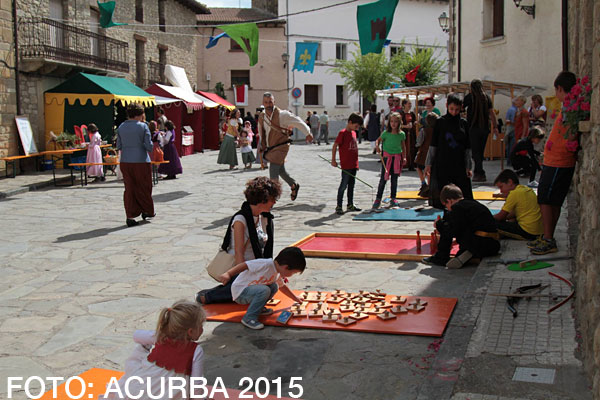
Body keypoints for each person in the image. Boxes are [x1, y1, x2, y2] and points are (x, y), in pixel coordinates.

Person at [196, 177, 281, 305]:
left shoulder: (265, 218)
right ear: (262, 200)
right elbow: (239, 253)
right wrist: (246, 278)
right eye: (272, 199)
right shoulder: (240, 220)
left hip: (255, 265)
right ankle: (208, 297)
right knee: (254, 290)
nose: (274, 202)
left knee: (271, 287)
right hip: (241, 266)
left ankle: (224, 290)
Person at [101, 301, 206, 400]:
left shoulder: (160, 338)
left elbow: (136, 335)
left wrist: (159, 335)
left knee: (141, 352)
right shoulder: (196, 350)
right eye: (201, 326)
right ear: (190, 331)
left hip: (139, 393)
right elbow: (196, 388)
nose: (202, 329)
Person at [529, 71, 578, 255]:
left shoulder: (571, 108)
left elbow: (571, 134)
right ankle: (547, 236)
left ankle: (549, 239)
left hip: (559, 161)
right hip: (555, 160)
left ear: (560, 89)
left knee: (547, 200)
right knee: (550, 200)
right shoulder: (568, 107)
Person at [219, 247, 306, 330]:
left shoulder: (277, 273)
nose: (292, 275)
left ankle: (259, 308)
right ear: (286, 267)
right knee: (264, 290)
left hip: (252, 291)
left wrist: (295, 298)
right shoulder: (265, 264)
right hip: (241, 292)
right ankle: (249, 318)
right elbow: (244, 265)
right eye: (293, 273)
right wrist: (228, 274)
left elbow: (282, 287)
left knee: (274, 286)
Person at [422, 184, 500, 269]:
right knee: (447, 224)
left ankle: (441, 257)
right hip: (493, 244)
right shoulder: (470, 203)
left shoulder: (458, 207)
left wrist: (439, 224)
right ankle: (466, 253)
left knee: (445, 226)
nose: (448, 208)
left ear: (450, 201)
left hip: (481, 245)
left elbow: (453, 231)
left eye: (446, 205)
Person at [258, 92, 313, 201]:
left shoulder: (283, 115)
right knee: (281, 170)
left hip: (281, 146)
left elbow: (297, 121)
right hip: (271, 147)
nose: (268, 104)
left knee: (273, 168)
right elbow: (261, 131)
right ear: (263, 103)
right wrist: (262, 145)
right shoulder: (262, 116)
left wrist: (307, 133)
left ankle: (272, 197)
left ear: (274, 102)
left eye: (270, 102)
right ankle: (293, 185)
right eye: (266, 102)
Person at [425, 94, 473, 209]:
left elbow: (468, 147)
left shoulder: (463, 124)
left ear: (461, 108)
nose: (454, 112)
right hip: (443, 162)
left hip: (459, 163)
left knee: (462, 194)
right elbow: (433, 144)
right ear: (447, 106)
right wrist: (428, 163)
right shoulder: (440, 122)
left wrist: (469, 166)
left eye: (457, 109)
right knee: (444, 193)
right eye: (451, 109)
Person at [116, 102, 155, 227]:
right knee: (144, 186)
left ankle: (130, 215)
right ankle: (146, 210)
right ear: (140, 114)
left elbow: (119, 145)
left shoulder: (121, 127)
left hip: (125, 160)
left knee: (129, 189)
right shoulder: (143, 127)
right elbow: (149, 146)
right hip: (141, 160)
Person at [463, 79, 499, 182]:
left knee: (475, 152)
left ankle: (480, 173)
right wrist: (495, 126)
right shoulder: (486, 98)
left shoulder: (469, 98)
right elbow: (492, 113)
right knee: (480, 151)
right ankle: (479, 172)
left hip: (473, 128)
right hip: (484, 128)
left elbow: (461, 108)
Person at [493, 169, 543, 241]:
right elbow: (512, 214)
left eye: (501, 187)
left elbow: (500, 217)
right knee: (511, 218)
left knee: (492, 223)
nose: (501, 191)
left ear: (510, 182)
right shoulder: (527, 189)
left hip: (529, 232)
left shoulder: (514, 193)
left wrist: (487, 218)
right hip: (538, 231)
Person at [332, 113, 364, 215]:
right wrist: (333, 160)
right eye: (356, 126)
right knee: (343, 186)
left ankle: (350, 204)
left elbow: (355, 151)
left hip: (353, 165)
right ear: (350, 122)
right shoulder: (343, 133)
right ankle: (339, 206)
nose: (357, 128)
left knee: (351, 186)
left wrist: (357, 164)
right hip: (346, 165)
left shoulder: (354, 133)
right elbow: (335, 146)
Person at [372, 112, 406, 209]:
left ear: (399, 123)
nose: (393, 123)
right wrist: (377, 146)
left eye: (395, 122)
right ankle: (378, 198)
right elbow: (378, 140)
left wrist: (404, 157)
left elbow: (403, 146)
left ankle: (393, 197)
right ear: (389, 122)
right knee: (383, 179)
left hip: (397, 158)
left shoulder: (401, 134)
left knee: (394, 179)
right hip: (386, 159)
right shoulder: (386, 133)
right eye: (391, 121)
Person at [416, 97, 441, 196]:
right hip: (434, 152)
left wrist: (417, 145)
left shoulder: (424, 131)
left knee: (419, 167)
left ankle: (424, 184)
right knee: (429, 169)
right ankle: (428, 186)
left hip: (425, 152)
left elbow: (419, 141)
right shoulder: (438, 131)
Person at [400, 99, 417, 171]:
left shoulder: (412, 114)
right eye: (408, 104)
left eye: (410, 104)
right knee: (404, 148)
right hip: (404, 134)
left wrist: (414, 124)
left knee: (412, 149)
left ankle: (411, 164)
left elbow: (414, 121)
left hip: (411, 134)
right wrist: (405, 126)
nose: (410, 105)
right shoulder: (401, 114)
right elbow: (399, 125)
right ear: (404, 105)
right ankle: (402, 165)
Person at [504, 98, 518, 165]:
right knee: (512, 145)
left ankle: (509, 161)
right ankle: (511, 161)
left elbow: (507, 119)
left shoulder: (510, 109)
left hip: (509, 129)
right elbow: (513, 121)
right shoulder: (514, 110)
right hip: (513, 129)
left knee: (509, 146)